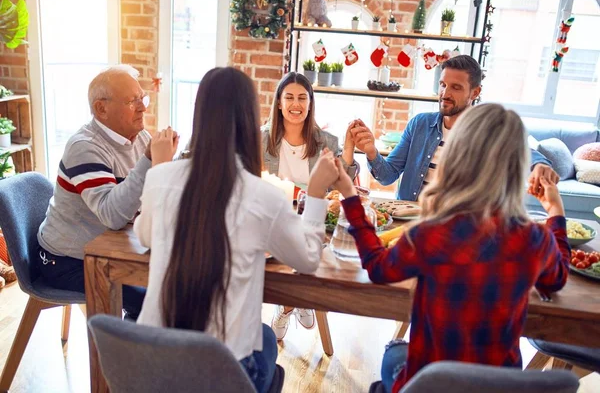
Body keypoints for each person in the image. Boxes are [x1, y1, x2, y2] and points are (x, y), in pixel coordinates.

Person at [333, 103, 570, 393]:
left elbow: (377, 267)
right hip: (498, 386)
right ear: (518, 165)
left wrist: (350, 198)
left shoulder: (432, 232)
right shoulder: (536, 238)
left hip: (431, 382)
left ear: (457, 156)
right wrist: (556, 213)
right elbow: (556, 279)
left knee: (395, 352)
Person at [134, 67, 339, 393]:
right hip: (222, 372)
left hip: (154, 362)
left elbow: (145, 237)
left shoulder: (161, 177)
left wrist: (160, 167)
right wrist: (315, 195)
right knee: (267, 340)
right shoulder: (264, 196)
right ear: (250, 118)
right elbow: (308, 260)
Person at [37, 65, 178, 319]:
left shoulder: (140, 138)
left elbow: (149, 196)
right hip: (67, 261)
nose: (143, 107)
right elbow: (112, 216)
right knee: (155, 298)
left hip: (110, 249)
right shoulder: (85, 147)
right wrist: (149, 161)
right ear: (101, 109)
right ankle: (131, 355)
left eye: (141, 98)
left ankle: (142, 349)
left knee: (175, 282)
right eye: (131, 101)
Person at [348, 55, 558, 201]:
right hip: (409, 219)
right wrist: (371, 152)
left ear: (475, 92)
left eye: (456, 87)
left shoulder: (487, 130)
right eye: (443, 84)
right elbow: (387, 176)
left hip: (456, 227)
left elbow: (523, 150)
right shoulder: (420, 124)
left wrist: (540, 165)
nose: (445, 93)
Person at [262, 71, 358, 340]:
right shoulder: (260, 140)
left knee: (312, 251)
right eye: (289, 97)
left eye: (302, 98)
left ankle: (288, 305)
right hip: (274, 222)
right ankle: (299, 300)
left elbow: (343, 185)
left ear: (310, 103)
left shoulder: (326, 141)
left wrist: (348, 150)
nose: (296, 104)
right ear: (279, 103)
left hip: (315, 221)